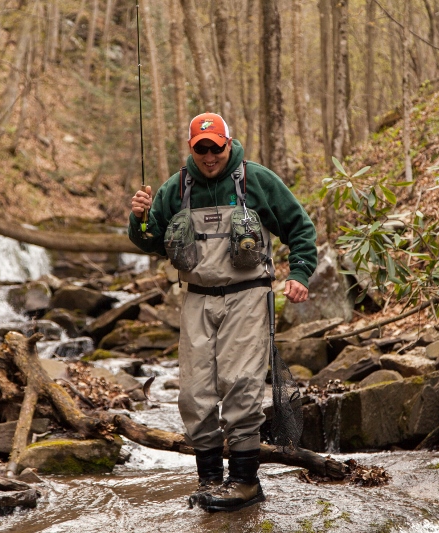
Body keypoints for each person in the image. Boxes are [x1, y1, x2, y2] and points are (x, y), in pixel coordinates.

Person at [128, 112, 317, 512]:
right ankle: (210, 479)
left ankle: (245, 482)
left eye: (216, 147)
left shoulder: (256, 180)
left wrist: (300, 272)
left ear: (228, 144)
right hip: (196, 296)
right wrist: (139, 218)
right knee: (193, 394)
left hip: (248, 295)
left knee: (240, 384)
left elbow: (299, 227)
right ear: (192, 149)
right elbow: (150, 241)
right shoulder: (175, 187)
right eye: (202, 149)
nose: (210, 156)